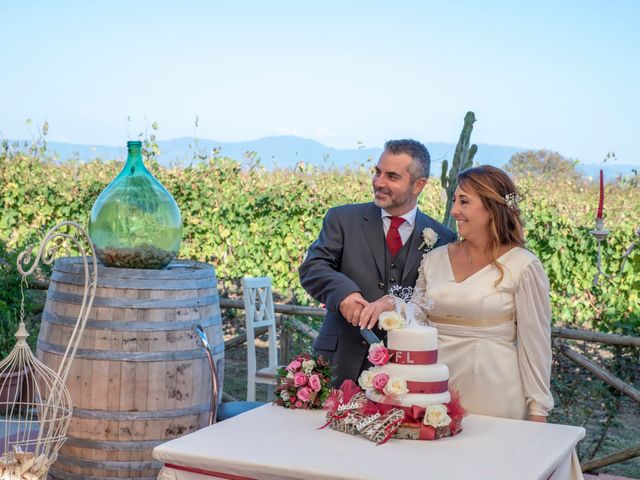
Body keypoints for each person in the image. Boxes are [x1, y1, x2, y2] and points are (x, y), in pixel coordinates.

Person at [360, 164, 554, 421]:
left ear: (491, 208)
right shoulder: (435, 258)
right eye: (454, 201)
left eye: (464, 202)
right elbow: (417, 316)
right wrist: (391, 303)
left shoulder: (523, 265)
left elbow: (536, 345)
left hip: (495, 394)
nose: (454, 211)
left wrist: (538, 410)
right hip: (434, 392)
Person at [299, 139, 456, 386]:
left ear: (419, 185)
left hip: (406, 374)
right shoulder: (342, 219)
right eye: (377, 172)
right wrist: (344, 294)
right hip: (339, 365)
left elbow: (437, 299)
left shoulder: (443, 238)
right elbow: (313, 267)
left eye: (392, 176)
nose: (378, 182)